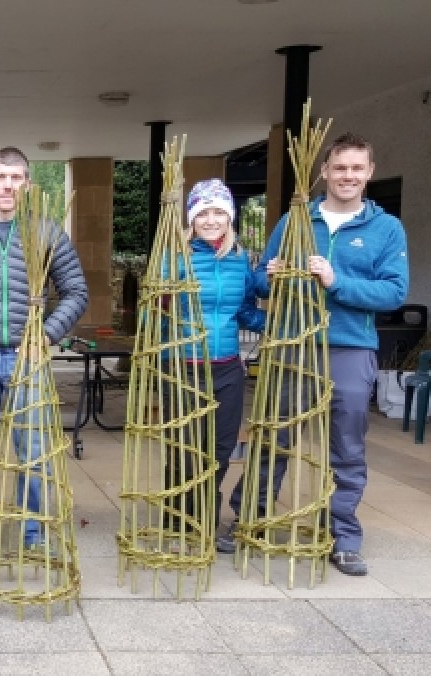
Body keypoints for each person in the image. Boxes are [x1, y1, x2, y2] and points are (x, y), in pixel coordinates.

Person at [245, 132, 409, 576]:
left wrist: (337, 282)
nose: (347, 176)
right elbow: (259, 281)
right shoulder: (296, 219)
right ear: (324, 171)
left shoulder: (386, 229)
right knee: (273, 437)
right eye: (339, 167)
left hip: (350, 347)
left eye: (356, 168)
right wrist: (269, 276)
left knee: (347, 446)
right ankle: (250, 520)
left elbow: (394, 292)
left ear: (370, 172)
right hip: (292, 344)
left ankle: (343, 536)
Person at [0, 146, 89, 566]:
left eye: (16, 178)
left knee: (33, 448)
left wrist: (46, 334)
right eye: (0, 177)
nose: (8, 185)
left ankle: (34, 533)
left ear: (28, 184)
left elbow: (76, 292)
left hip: (29, 358)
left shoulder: (47, 232)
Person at [176, 179, 265, 545]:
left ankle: (205, 516)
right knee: (186, 447)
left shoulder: (239, 259)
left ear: (230, 218)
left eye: (219, 213)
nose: (211, 220)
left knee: (221, 447)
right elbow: (156, 314)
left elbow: (244, 310)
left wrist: (276, 325)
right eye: (203, 213)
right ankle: (183, 516)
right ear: (191, 219)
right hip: (185, 365)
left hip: (227, 366)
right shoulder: (175, 257)